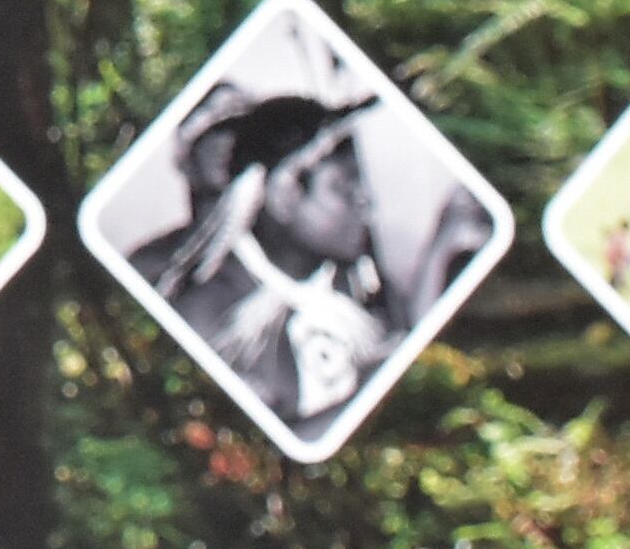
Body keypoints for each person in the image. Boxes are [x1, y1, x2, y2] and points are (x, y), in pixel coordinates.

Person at [130, 92, 494, 447]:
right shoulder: (209, 316)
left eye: (361, 182)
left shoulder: (346, 274)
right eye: (344, 187)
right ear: (285, 196)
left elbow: (411, 341)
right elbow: (272, 449)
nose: (365, 202)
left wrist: (444, 245)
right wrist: (389, 376)